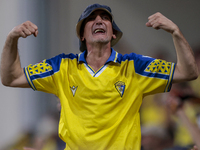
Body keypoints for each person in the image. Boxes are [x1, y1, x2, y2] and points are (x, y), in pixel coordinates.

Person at [0, 3, 198, 150]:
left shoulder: (135, 66)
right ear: (82, 35)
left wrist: (175, 32)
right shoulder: (62, 66)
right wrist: (11, 38)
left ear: (113, 34)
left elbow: (188, 72)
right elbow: (11, 78)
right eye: (91, 19)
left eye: (105, 18)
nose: (99, 20)